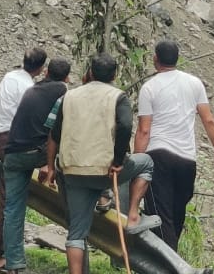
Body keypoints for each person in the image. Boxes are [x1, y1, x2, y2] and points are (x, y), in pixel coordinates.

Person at [40, 53, 159, 274]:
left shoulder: (70, 96)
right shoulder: (117, 97)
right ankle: (132, 215)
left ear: (90, 72)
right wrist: (118, 160)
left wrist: (51, 168)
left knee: (76, 233)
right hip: (105, 171)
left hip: (72, 170)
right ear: (114, 75)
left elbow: (54, 135)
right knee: (146, 163)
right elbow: (124, 126)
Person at [133, 39, 214, 254]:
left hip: (158, 156)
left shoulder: (149, 88)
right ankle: (171, 261)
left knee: (161, 216)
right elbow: (209, 120)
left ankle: (169, 264)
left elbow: (144, 130)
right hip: (187, 159)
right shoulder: (194, 83)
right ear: (177, 59)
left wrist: (137, 161)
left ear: (155, 59)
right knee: (177, 212)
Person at [0, 57, 70, 274]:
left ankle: (14, 264)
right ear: (67, 77)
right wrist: (48, 165)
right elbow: (57, 131)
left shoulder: (32, 88)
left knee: (12, 209)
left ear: (46, 72)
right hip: (37, 152)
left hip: (12, 153)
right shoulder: (63, 91)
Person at [0, 47, 48, 271]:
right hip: (12, 142)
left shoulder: (9, 76)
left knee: (9, 197)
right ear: (40, 69)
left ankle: (4, 251)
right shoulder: (30, 88)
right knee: (9, 199)